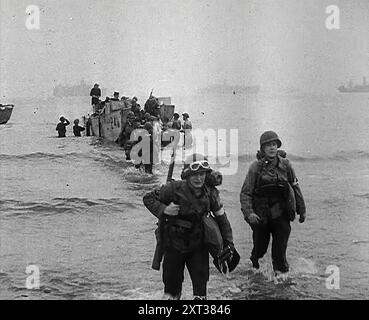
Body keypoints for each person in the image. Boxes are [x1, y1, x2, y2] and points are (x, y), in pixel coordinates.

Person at [143, 154, 237, 300]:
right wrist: (164, 210)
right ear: (187, 175)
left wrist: (229, 244)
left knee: (200, 293)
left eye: (202, 174)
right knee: (171, 292)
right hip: (173, 245)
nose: (199, 178)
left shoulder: (210, 193)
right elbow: (148, 198)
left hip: (199, 246)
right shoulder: (173, 189)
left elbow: (222, 220)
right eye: (194, 175)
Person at [240, 131, 306, 276]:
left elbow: (295, 186)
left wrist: (302, 209)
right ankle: (255, 271)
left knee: (280, 251)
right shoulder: (255, 168)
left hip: (280, 213)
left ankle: (282, 279)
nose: (272, 148)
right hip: (261, 215)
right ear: (262, 148)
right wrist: (249, 213)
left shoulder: (286, 165)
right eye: (268, 145)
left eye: (274, 144)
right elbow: (246, 193)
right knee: (260, 249)